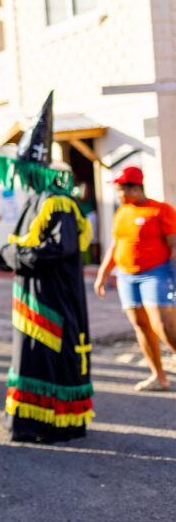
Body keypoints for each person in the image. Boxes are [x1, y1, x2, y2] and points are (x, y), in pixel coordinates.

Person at [0, 92, 94, 442]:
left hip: (55, 301)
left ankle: (55, 423)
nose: (21, 178)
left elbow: (57, 248)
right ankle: (31, 421)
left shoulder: (58, 202)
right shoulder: (33, 200)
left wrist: (12, 256)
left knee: (54, 359)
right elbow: (22, 244)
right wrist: (7, 254)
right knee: (32, 357)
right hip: (32, 300)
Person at [94, 166, 176, 391]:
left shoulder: (160, 210)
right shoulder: (121, 212)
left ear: (135, 188)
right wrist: (102, 274)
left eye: (120, 190)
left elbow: (174, 245)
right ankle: (158, 377)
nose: (118, 194)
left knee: (162, 324)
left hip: (157, 273)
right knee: (141, 326)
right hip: (127, 276)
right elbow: (115, 245)